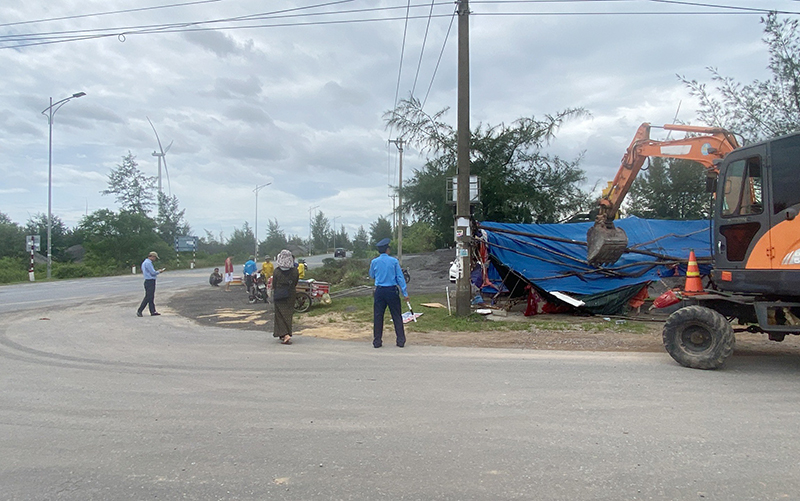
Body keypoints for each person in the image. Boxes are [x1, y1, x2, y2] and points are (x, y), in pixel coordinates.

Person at [369, 238, 408, 348]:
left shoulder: (374, 262)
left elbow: (372, 275)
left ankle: (377, 341)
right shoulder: (394, 261)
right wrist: (405, 292)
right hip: (391, 290)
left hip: (380, 291)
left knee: (378, 316)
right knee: (396, 315)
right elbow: (400, 277)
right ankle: (400, 340)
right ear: (387, 250)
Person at [272, 249, 299, 345]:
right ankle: (286, 333)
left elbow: (274, 284)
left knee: (279, 315)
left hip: (279, 294)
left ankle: (285, 334)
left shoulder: (276, 272)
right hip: (291, 294)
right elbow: (295, 282)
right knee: (288, 314)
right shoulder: (295, 271)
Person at [136, 251, 165, 317]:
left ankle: (152, 311)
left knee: (151, 297)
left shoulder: (145, 262)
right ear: (152, 256)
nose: (155, 259)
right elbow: (152, 272)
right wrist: (159, 271)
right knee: (148, 297)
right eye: (155, 258)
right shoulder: (148, 263)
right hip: (150, 281)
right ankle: (140, 310)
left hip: (148, 281)